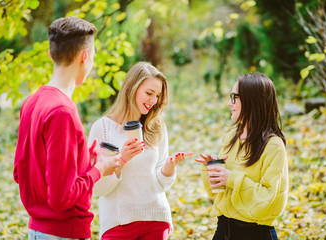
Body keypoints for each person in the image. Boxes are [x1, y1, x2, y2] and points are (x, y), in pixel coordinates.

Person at [13, 16, 121, 240]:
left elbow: (20, 172)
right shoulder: (62, 111)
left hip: (37, 230)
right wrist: (98, 170)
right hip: (64, 233)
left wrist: (82, 161)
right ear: (85, 57)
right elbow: (61, 198)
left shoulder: (32, 102)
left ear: (51, 54)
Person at [88, 61, 192, 240]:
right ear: (131, 89)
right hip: (118, 223)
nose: (153, 101)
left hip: (155, 218)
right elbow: (97, 188)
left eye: (157, 95)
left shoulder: (156, 127)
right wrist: (121, 160)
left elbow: (161, 183)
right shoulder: (103, 128)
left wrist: (169, 167)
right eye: (149, 93)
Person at [195, 73, 288, 240]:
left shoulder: (273, 146)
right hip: (223, 230)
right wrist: (212, 168)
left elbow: (269, 201)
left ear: (252, 100)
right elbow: (217, 193)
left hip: (255, 234)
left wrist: (231, 178)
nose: (229, 103)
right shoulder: (232, 137)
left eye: (234, 97)